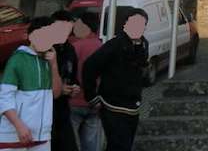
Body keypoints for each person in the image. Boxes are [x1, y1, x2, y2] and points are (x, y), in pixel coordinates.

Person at [82, 8, 149, 151]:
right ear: (125, 24)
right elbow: (90, 66)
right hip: (112, 105)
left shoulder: (143, 44)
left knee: (125, 145)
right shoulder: (114, 44)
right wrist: (92, 96)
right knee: (118, 146)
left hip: (132, 106)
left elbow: (140, 67)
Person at [0, 16, 67, 151]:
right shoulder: (17, 59)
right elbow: (4, 97)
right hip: (14, 135)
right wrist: (19, 126)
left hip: (42, 136)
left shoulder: (49, 60)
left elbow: (56, 93)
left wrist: (54, 66)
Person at [68, 13, 103, 151]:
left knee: (69, 142)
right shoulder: (102, 46)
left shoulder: (75, 47)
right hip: (95, 102)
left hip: (74, 100)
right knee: (91, 144)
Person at [48, 12, 78, 151]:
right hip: (46, 111)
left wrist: (75, 87)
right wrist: (57, 88)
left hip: (63, 110)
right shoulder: (44, 49)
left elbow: (73, 75)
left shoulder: (70, 49)